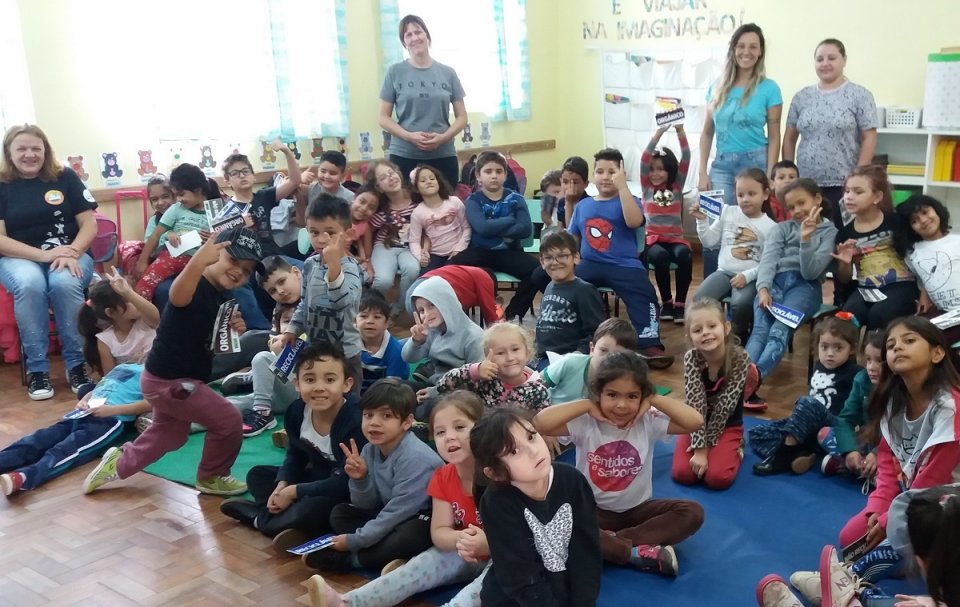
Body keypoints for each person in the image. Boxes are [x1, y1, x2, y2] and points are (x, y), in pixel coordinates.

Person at [82, 227, 266, 496]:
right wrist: (198, 261)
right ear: (213, 253)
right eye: (233, 261)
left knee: (171, 435)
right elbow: (178, 295)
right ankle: (212, 475)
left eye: (247, 269)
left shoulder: (223, 295)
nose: (239, 271)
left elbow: (210, 339)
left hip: (172, 379)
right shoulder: (194, 282)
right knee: (227, 419)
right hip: (172, 382)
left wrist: (231, 328)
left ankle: (118, 463)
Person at [306, 391, 491, 607]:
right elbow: (439, 532)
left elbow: (520, 537)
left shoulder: (497, 473)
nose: (449, 436)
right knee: (420, 566)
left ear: (481, 429)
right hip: (463, 550)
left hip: (504, 555)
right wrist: (463, 541)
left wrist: (486, 543)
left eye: (460, 427)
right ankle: (347, 602)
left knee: (480, 591)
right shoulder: (443, 476)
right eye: (440, 432)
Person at [533, 351, 704, 576]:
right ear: (598, 394)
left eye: (632, 396)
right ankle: (631, 552)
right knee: (558, 518)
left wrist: (653, 398)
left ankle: (610, 544)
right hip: (593, 510)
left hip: (637, 510)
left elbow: (695, 421)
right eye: (612, 395)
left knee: (692, 512)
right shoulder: (586, 422)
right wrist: (586, 405)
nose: (622, 405)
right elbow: (540, 423)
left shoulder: (648, 421)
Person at [218, 342, 366, 546]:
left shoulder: (355, 421)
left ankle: (261, 520)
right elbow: (295, 454)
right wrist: (282, 485)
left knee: (315, 509)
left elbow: (345, 482)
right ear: (297, 384)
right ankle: (285, 520)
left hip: (345, 490)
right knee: (258, 475)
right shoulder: (297, 412)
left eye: (330, 379)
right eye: (309, 379)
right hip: (315, 477)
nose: (319, 387)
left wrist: (294, 492)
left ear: (347, 384)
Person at [302, 379, 443, 573]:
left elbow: (397, 512)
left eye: (386, 416)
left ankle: (353, 560)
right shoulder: (369, 450)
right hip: (389, 515)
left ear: (407, 422)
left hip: (419, 520)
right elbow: (365, 505)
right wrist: (360, 479)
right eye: (368, 415)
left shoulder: (416, 459)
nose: (374, 423)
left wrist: (354, 541)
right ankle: (380, 551)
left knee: (409, 536)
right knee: (340, 513)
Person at [0, 124, 98, 399]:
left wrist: (72, 251)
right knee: (29, 284)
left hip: (70, 254)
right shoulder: (2, 184)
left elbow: (89, 226)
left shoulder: (65, 177)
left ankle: (77, 366)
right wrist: (45, 255)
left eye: (36, 148)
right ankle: (38, 370)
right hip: (20, 258)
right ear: (9, 152)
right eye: (21, 148)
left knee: (65, 283)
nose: (29, 154)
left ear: (46, 150)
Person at [471, 408, 602, 606]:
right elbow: (519, 574)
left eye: (532, 436)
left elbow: (587, 552)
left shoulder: (572, 481)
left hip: (565, 590)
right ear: (495, 473)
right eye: (514, 451)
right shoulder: (496, 502)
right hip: (518, 599)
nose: (534, 451)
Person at [567, 148, 672, 367]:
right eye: (600, 171)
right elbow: (571, 237)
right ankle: (586, 340)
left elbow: (634, 222)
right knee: (570, 287)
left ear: (622, 174)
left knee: (644, 293)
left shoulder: (630, 199)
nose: (605, 177)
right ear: (593, 176)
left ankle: (648, 342)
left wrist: (622, 186)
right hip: (589, 264)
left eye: (612, 172)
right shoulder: (584, 205)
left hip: (625, 266)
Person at [698, 23, 782, 277]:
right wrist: (702, 171)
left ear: (760, 52)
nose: (747, 52)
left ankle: (751, 288)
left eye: (753, 47)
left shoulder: (769, 88)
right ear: (733, 49)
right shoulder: (717, 86)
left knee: (752, 227)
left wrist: (770, 173)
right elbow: (707, 132)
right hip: (722, 166)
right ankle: (712, 297)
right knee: (717, 226)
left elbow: (775, 132)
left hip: (755, 162)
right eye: (741, 46)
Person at [0, 364, 151, 496]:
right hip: (81, 414)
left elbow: (150, 403)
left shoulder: (154, 377)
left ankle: (25, 478)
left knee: (66, 449)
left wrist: (111, 411)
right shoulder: (122, 367)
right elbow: (98, 388)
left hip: (109, 421)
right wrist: (83, 401)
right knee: (38, 439)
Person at [746, 178, 838, 379]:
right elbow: (768, 260)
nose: (796, 210)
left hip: (806, 287)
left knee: (780, 329)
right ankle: (740, 378)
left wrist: (806, 239)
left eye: (801, 203)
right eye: (791, 207)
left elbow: (811, 273)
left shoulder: (830, 232)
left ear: (817, 199)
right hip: (775, 282)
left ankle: (756, 376)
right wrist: (763, 289)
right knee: (760, 329)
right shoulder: (781, 228)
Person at [782, 38, 878, 228]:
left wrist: (858, 175)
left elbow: (869, 136)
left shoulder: (860, 95)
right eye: (820, 59)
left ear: (844, 60)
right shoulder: (802, 97)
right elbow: (790, 137)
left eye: (831, 58)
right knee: (809, 234)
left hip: (844, 184)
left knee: (842, 234)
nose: (825, 63)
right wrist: (789, 174)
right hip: (807, 184)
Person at [750, 315, 862, 475]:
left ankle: (783, 456)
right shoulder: (818, 365)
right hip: (808, 429)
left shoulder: (855, 372)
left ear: (851, 349)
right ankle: (802, 454)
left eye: (838, 348)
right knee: (757, 434)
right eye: (824, 347)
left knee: (807, 402)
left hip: (831, 427)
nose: (830, 353)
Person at [282, 194, 363, 395]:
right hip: (315, 348)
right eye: (314, 232)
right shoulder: (310, 265)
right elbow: (305, 303)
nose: (320, 239)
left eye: (330, 232)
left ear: (348, 234)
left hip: (345, 353)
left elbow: (342, 302)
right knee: (319, 396)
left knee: (348, 404)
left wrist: (334, 265)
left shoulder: (351, 268)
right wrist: (293, 328)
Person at [449, 151, 540, 322]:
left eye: (499, 171)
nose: (494, 176)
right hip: (480, 252)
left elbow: (526, 229)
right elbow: (482, 228)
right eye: (488, 171)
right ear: (478, 176)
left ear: (505, 175)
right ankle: (489, 305)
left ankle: (512, 312)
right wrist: (509, 220)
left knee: (538, 272)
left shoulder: (516, 199)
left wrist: (494, 227)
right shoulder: (473, 200)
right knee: (454, 264)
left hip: (510, 253)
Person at [378, 14, 467, 187]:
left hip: (443, 155)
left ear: (427, 36)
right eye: (408, 35)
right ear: (404, 42)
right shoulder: (394, 72)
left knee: (447, 209)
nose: (414, 37)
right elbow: (383, 117)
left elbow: (462, 117)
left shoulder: (448, 72)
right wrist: (409, 136)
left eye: (418, 32)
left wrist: (443, 138)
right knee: (407, 209)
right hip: (404, 155)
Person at [672, 298, 751, 490]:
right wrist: (699, 447)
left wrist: (704, 450)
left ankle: (738, 448)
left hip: (726, 425)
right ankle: (711, 450)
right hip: (695, 422)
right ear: (690, 337)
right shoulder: (692, 358)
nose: (706, 333)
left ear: (725, 328)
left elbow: (724, 407)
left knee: (717, 478)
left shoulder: (740, 359)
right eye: (698, 330)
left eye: (712, 326)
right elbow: (695, 402)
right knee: (683, 474)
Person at [692, 168, 778, 343]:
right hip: (724, 271)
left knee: (741, 304)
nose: (745, 199)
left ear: (766, 194)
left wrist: (746, 276)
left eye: (752, 194)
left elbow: (769, 263)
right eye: (740, 195)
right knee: (699, 300)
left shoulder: (771, 227)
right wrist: (701, 220)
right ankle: (711, 335)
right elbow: (709, 241)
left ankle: (738, 338)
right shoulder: (727, 212)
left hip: (750, 277)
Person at [223, 255, 304, 437]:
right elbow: (275, 345)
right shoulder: (280, 308)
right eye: (273, 291)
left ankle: (262, 411)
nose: (280, 291)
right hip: (283, 388)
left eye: (282, 282)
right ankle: (179, 422)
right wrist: (279, 352)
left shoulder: (315, 302)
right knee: (230, 405)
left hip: (306, 387)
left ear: (297, 273)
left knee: (261, 358)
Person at [834, 165, 917, 329]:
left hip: (900, 285)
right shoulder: (844, 233)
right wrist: (844, 262)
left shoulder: (896, 221)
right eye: (847, 191)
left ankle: (879, 353)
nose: (849, 197)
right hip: (866, 287)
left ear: (877, 196)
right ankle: (854, 354)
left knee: (880, 314)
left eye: (858, 192)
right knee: (847, 317)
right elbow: (844, 278)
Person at [134, 164, 222, 301]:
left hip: (200, 261)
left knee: (205, 294)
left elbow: (225, 239)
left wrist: (216, 237)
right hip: (172, 257)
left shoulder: (216, 210)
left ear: (198, 190)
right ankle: (138, 314)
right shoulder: (177, 209)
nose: (179, 199)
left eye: (181, 194)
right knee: (144, 287)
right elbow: (156, 235)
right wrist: (142, 261)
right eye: (176, 195)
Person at [426, 323, 549, 411]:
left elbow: (544, 423)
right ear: (487, 356)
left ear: (527, 353)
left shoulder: (537, 390)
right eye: (500, 353)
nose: (510, 357)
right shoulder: (483, 379)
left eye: (515, 349)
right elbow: (444, 386)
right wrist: (474, 370)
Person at [641, 124, 692, 323]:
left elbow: (686, 156)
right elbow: (644, 157)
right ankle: (667, 303)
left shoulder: (676, 185)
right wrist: (658, 133)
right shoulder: (646, 187)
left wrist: (680, 130)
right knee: (660, 257)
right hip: (653, 240)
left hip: (675, 239)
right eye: (652, 169)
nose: (655, 173)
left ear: (670, 170)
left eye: (660, 169)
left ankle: (680, 303)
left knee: (684, 255)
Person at [819, 329, 883, 486]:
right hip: (866, 442)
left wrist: (877, 454)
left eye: (879, 361)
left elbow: (900, 432)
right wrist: (850, 451)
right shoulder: (862, 380)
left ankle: (867, 473)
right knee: (825, 434)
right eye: (868, 360)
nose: (871, 367)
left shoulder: (900, 386)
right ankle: (864, 470)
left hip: (891, 449)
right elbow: (845, 420)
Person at [534, 230, 605, 370]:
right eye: (548, 258)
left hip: (566, 361)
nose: (555, 262)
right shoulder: (549, 286)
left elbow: (597, 332)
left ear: (576, 257)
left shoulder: (585, 290)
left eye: (562, 256)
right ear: (542, 261)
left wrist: (575, 357)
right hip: (542, 357)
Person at [896, 195, 960, 341]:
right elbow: (924, 277)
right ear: (910, 228)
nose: (923, 221)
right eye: (914, 221)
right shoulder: (912, 253)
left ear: (937, 211)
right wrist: (924, 295)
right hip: (945, 314)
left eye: (925, 212)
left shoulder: (957, 241)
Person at [403, 276, 485, 385]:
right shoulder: (432, 330)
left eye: (431, 305)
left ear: (446, 301)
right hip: (435, 385)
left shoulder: (474, 337)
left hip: (457, 395)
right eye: (421, 310)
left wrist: (434, 392)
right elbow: (408, 358)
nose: (427, 314)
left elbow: (476, 381)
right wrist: (417, 342)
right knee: (393, 388)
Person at [78, 269, 160, 378]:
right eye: (128, 300)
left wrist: (128, 292)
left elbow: (156, 317)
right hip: (130, 385)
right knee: (87, 393)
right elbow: (111, 379)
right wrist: (131, 365)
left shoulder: (145, 322)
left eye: (134, 296)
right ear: (111, 312)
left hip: (157, 380)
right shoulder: (105, 340)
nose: (136, 301)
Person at [364, 159, 420, 316]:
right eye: (383, 178)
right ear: (378, 187)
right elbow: (367, 227)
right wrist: (367, 257)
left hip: (410, 247)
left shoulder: (416, 199)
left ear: (399, 173)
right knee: (383, 281)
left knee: (412, 269)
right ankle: (372, 309)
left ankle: (399, 306)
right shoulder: (381, 209)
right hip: (385, 247)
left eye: (391, 173)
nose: (390, 178)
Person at [541, 318, 638, 406]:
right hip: (549, 415)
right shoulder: (571, 362)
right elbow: (534, 384)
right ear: (592, 349)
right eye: (603, 350)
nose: (608, 359)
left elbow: (650, 391)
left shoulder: (625, 379)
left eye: (617, 355)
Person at [409, 164, 470, 273]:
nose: (429, 181)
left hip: (459, 251)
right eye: (423, 181)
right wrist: (420, 257)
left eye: (432, 178)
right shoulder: (417, 213)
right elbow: (414, 241)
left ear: (438, 182)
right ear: (416, 188)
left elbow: (467, 228)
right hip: (435, 254)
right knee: (425, 278)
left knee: (450, 274)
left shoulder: (454, 201)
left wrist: (459, 249)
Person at [405, 264, 502, 326]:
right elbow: (491, 316)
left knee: (431, 336)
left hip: (412, 293)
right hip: (430, 292)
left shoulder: (463, 273)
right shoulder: (483, 276)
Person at [117, 174, 175, 277]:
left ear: (174, 196)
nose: (160, 202)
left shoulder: (183, 216)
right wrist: (166, 236)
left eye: (165, 196)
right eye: (155, 199)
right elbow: (150, 250)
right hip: (162, 264)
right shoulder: (154, 221)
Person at [356, 292, 410, 392]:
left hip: (386, 395)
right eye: (363, 316)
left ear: (387, 323)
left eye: (377, 317)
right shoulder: (348, 346)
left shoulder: (397, 352)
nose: (369, 321)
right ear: (354, 321)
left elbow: (392, 389)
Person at [538, 169, 563, 236]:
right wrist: (549, 223)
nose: (557, 197)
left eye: (557, 192)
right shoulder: (548, 205)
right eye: (550, 195)